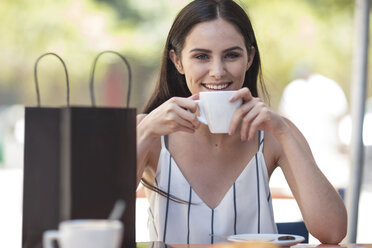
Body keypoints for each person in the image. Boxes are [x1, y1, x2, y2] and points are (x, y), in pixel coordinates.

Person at [136, 0, 347, 244]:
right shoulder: (150, 131)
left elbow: (333, 232)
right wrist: (145, 132)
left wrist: (284, 133)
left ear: (249, 58)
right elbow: (100, 215)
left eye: (231, 55)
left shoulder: (275, 133)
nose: (217, 71)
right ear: (177, 61)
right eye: (202, 56)